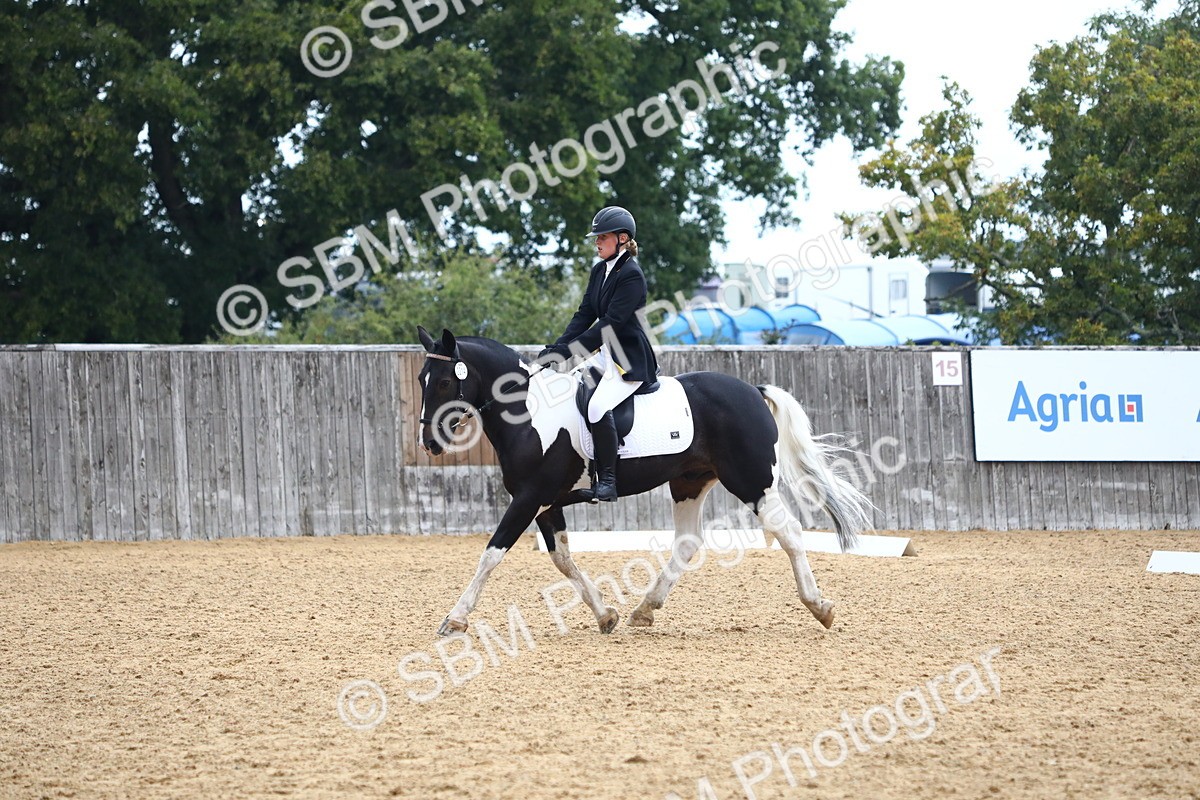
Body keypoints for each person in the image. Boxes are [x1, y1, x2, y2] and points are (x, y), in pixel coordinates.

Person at [537, 206, 659, 502]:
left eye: (602, 237)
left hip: (627, 359)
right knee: (570, 390)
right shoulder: (599, 271)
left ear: (622, 238)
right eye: (596, 237)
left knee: (596, 406)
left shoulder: (631, 274)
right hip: (606, 354)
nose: (597, 242)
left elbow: (610, 325)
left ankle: (607, 481)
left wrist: (570, 351)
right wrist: (558, 347)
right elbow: (585, 315)